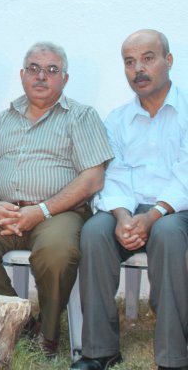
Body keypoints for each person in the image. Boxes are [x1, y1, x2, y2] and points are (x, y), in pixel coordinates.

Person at [0, 42, 113, 358]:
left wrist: (41, 211)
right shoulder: (3, 119)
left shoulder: (81, 116)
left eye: (52, 70)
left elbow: (93, 177)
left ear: (64, 78)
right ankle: (21, 322)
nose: (42, 76)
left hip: (59, 212)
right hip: (5, 211)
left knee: (57, 252)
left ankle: (48, 334)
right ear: (22, 75)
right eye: (34, 69)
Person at [71, 30, 188, 370]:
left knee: (167, 234)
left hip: (177, 210)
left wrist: (153, 216)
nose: (138, 69)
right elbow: (115, 175)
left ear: (168, 60)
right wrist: (123, 217)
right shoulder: (118, 119)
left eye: (148, 59)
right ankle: (99, 351)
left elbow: (185, 176)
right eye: (130, 62)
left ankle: (173, 357)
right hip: (130, 208)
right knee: (94, 232)